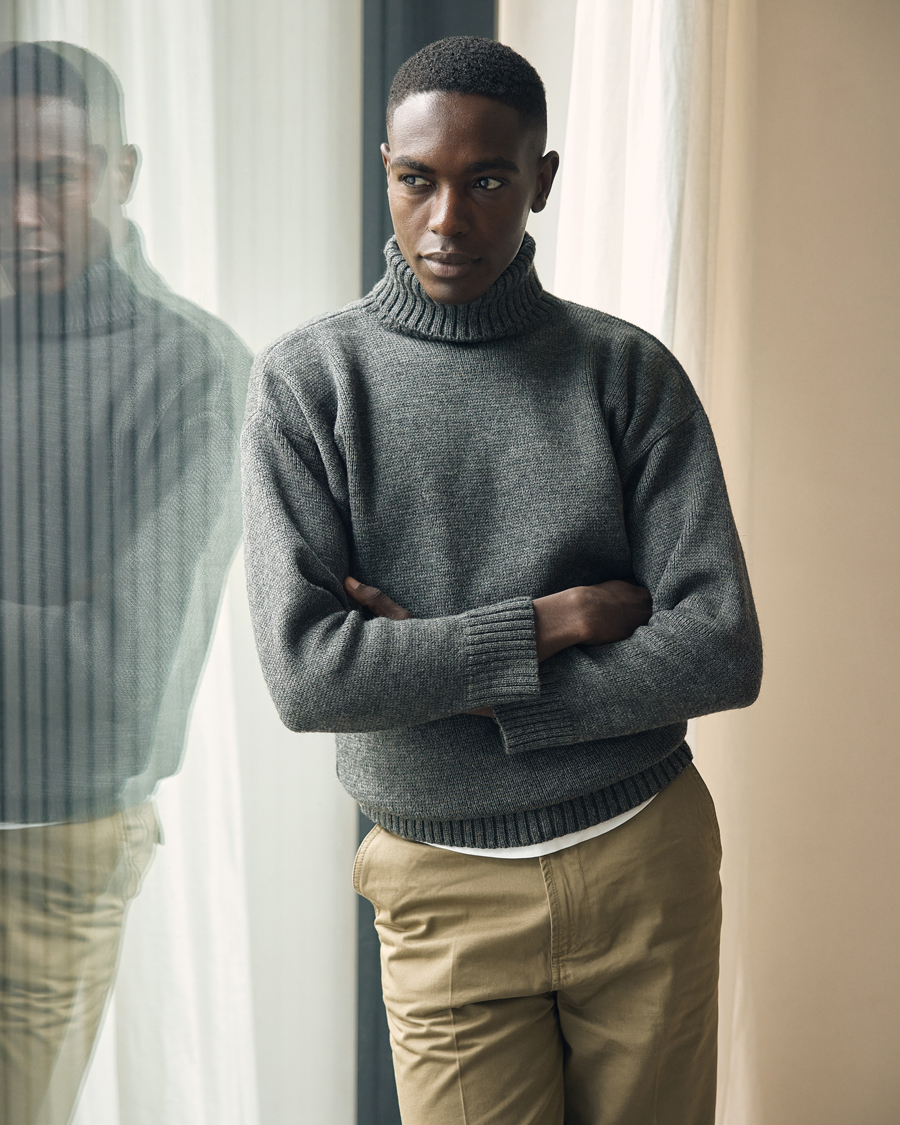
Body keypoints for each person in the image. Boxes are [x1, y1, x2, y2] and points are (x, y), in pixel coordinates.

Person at [241, 36, 762, 1125]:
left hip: (645, 860)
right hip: (441, 884)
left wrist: (460, 683)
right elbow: (312, 678)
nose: (447, 220)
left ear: (543, 179)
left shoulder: (626, 371)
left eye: (487, 181)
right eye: (415, 179)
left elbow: (719, 647)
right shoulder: (308, 383)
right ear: (385, 170)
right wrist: (556, 621)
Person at [0, 42, 250, 1125]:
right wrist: (48, 617)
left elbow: (117, 671)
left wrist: (79, 629)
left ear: (122, 172)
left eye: (51, 177)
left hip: (48, 849)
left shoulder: (193, 369)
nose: (18, 213)